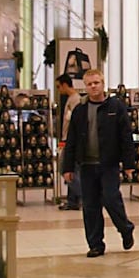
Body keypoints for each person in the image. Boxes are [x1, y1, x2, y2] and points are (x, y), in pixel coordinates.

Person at [62, 69, 137, 257]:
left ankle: (125, 228)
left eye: (96, 83)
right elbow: (71, 140)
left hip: (108, 164)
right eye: (89, 84)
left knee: (112, 198)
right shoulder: (80, 110)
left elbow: (126, 137)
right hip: (86, 165)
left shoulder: (116, 107)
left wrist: (129, 163)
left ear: (103, 84)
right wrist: (67, 167)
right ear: (85, 86)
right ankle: (95, 244)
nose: (93, 86)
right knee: (90, 206)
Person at [55, 74, 81, 210]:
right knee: (71, 170)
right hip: (66, 139)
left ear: (65, 84)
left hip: (71, 141)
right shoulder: (70, 99)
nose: (58, 90)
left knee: (64, 168)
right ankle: (73, 201)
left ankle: (83, 194)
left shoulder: (75, 100)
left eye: (59, 86)